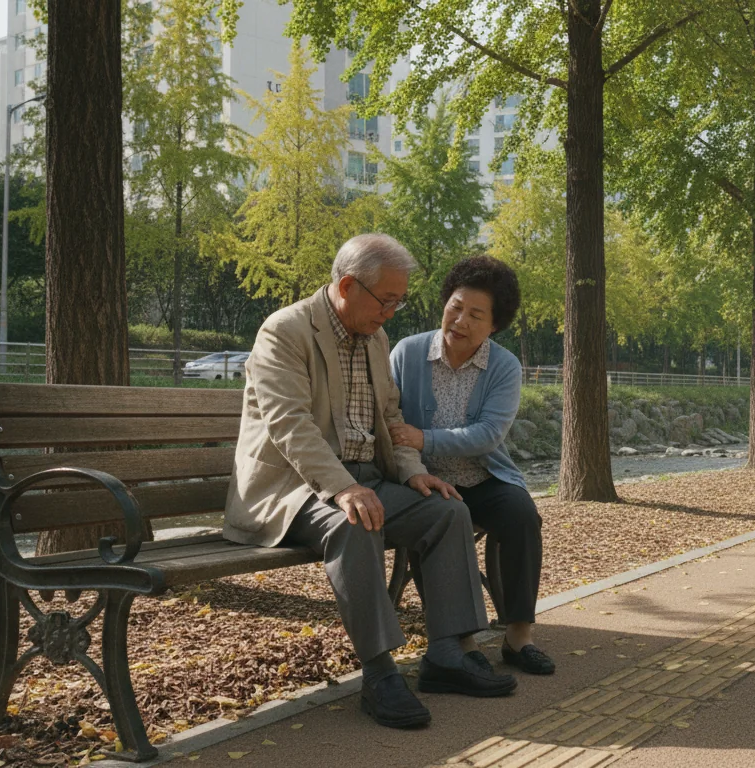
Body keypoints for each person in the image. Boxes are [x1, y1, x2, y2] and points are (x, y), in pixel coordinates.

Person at [224, 234, 516, 730]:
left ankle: (446, 654)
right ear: (346, 286)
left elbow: (389, 416)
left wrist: (414, 473)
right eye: (387, 300)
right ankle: (379, 674)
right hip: (294, 490)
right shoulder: (285, 332)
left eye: (399, 301)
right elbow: (290, 425)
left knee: (448, 511)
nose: (393, 312)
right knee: (354, 523)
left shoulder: (375, 339)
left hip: (368, 478)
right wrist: (342, 488)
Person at [390, 256, 555, 676]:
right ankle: (459, 640)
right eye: (455, 307)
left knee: (521, 515)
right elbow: (388, 420)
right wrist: (414, 454)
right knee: (445, 517)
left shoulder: (503, 366)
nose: (460, 320)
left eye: (475, 315)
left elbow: (488, 435)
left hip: (482, 478)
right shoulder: (407, 353)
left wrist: (423, 436)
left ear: (494, 326)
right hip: (421, 481)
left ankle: (519, 636)